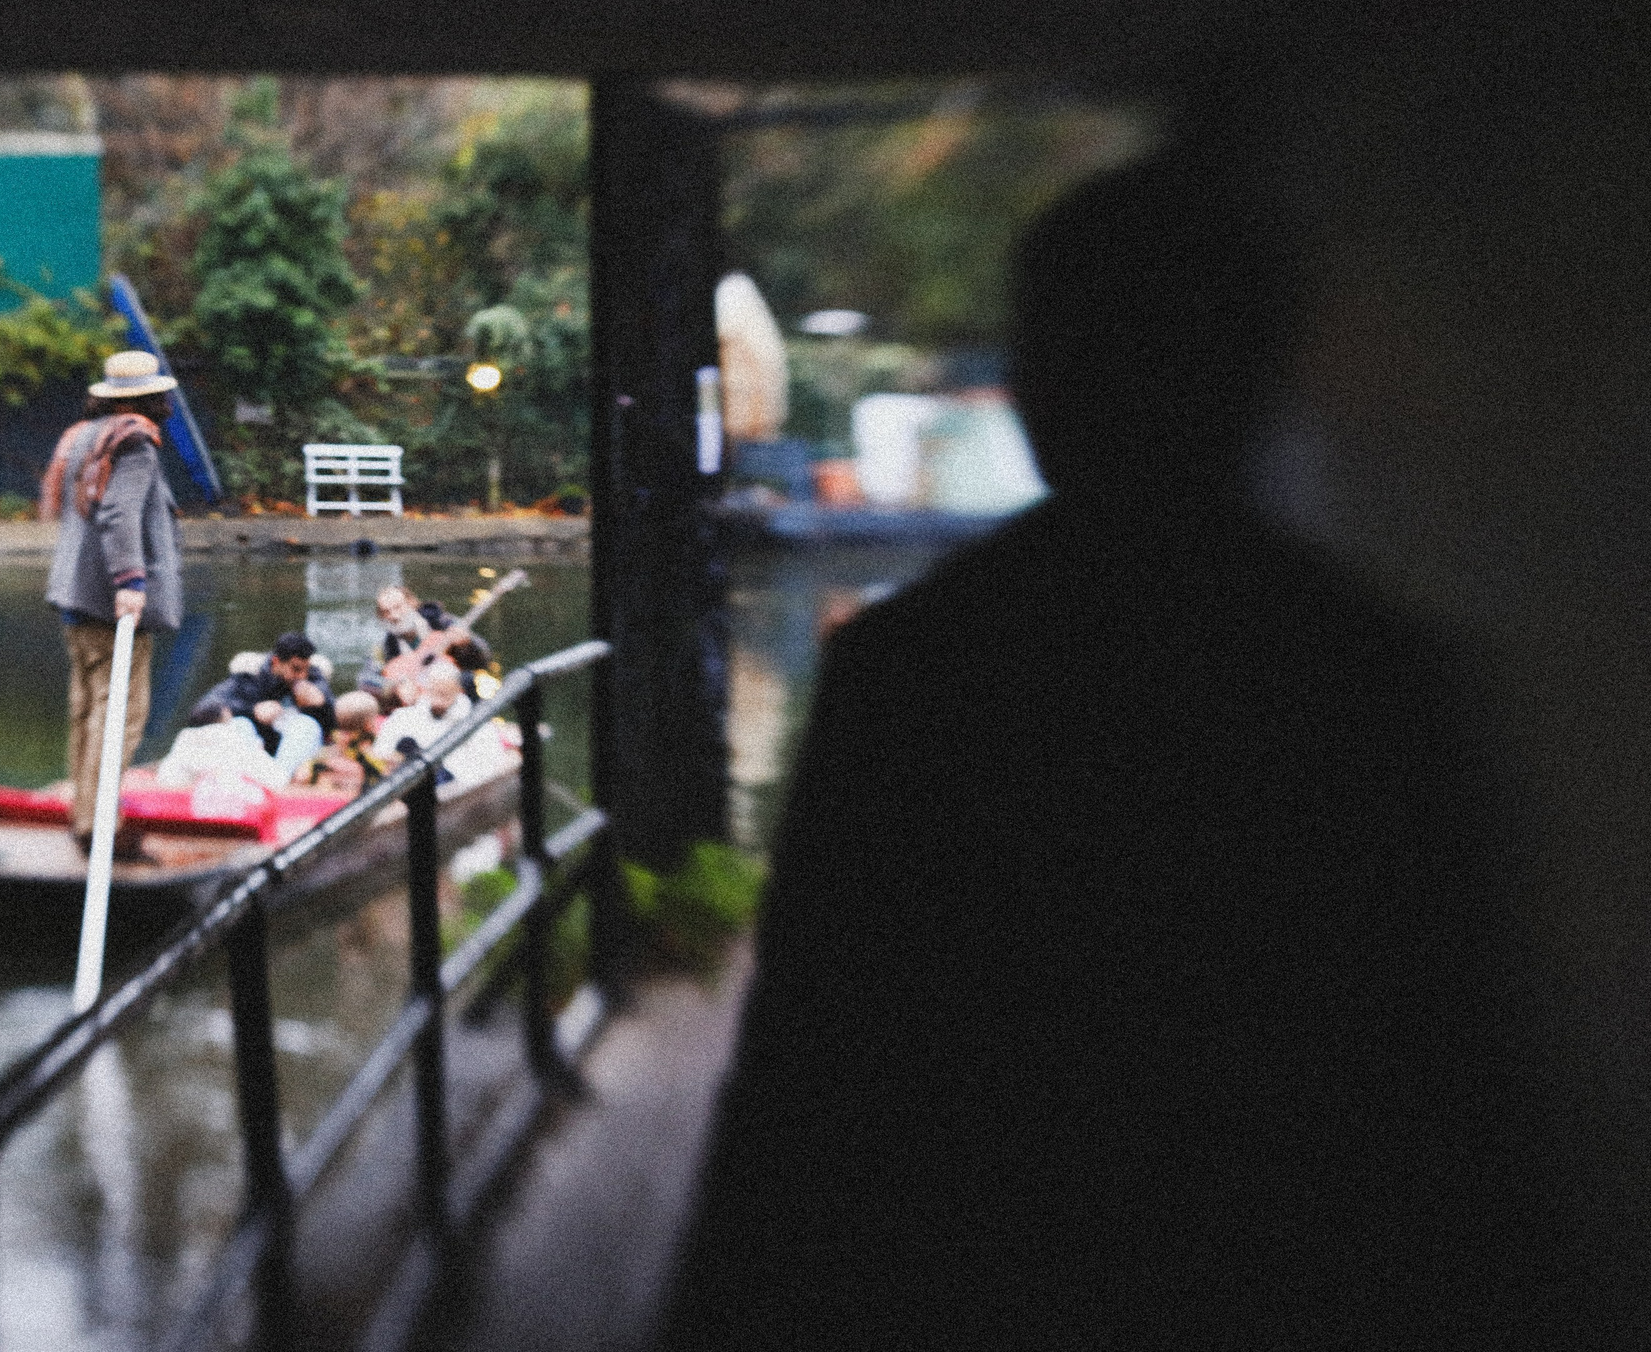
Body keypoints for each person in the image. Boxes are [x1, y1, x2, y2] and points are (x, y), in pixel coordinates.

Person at [661, 131, 1577, 1346]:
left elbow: (815, 1064)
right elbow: (1460, 1075)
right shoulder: (1380, 677)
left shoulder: (919, 670)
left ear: (1044, 379)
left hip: (978, 1268)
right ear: (1263, 377)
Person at [43, 349, 183, 846]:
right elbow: (118, 515)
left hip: (74, 598)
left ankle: (84, 813)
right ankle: (100, 825)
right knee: (119, 713)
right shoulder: (134, 444)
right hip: (111, 602)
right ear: (151, 398)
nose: (169, 403)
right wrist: (131, 582)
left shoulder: (82, 437)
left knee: (85, 709)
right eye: (163, 396)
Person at [186, 631, 333, 786]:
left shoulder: (314, 678)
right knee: (240, 724)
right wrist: (252, 711)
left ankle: (279, 784)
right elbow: (201, 711)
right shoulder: (249, 676)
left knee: (306, 725)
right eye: (296, 669)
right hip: (254, 753)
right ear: (276, 662)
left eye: (306, 670)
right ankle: (247, 782)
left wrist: (323, 705)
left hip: (293, 759)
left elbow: (340, 723)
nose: (302, 676)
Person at [360, 582, 464, 705]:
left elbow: (483, 655)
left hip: (452, 694)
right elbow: (364, 680)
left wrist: (467, 644)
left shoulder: (443, 622)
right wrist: (394, 687)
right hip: (413, 701)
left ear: (412, 603)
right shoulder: (384, 645)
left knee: (468, 679)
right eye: (386, 612)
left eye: (398, 607)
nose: (394, 616)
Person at [307, 690, 389, 795]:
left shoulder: (324, 755)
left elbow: (303, 775)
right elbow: (384, 777)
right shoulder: (368, 755)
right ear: (369, 725)